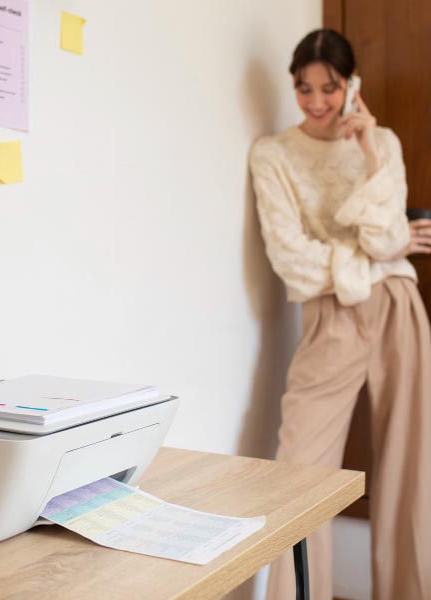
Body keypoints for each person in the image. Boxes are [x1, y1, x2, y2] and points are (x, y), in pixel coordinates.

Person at [249, 28, 431, 600]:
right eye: (305, 89)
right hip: (330, 317)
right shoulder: (273, 155)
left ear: (351, 86)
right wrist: (381, 249)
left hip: (398, 307)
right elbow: (292, 261)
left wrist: (371, 148)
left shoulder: (385, 144)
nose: (318, 102)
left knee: (412, 469)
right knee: (300, 475)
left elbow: (390, 239)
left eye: (330, 88)